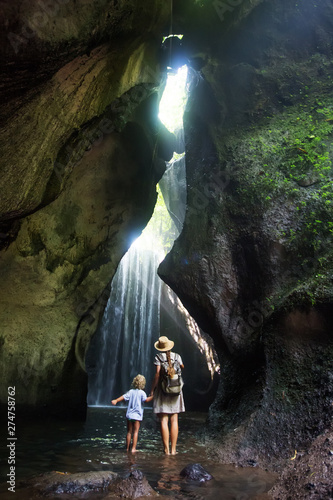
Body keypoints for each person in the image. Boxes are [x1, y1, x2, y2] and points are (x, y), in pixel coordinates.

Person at [150, 336, 185, 455]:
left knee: (164, 420)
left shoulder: (158, 357)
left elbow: (157, 375)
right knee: (174, 420)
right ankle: (174, 449)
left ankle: (167, 450)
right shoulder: (178, 356)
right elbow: (182, 367)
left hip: (163, 390)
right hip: (176, 390)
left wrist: (152, 389)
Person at [111, 374, 153, 453]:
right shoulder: (142, 393)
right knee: (136, 431)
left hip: (129, 415)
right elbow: (146, 400)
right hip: (137, 416)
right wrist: (153, 397)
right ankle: (133, 448)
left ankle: (127, 448)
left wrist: (116, 400)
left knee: (129, 432)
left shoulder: (131, 391)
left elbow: (123, 396)